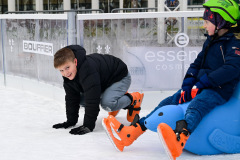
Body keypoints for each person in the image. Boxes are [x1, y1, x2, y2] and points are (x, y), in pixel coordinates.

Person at [102, 0, 240, 159]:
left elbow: (231, 69)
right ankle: (130, 133)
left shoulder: (234, 45)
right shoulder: (211, 42)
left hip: (218, 91)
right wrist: (188, 84)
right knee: (168, 101)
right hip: (201, 86)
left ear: (221, 22)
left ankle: (181, 138)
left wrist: (203, 83)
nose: (204, 25)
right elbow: (196, 64)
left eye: (207, 22)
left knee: (197, 106)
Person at [53, 45, 144, 135]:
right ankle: (113, 97)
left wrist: (88, 125)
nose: (65, 73)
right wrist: (70, 122)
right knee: (80, 100)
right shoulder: (68, 76)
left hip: (119, 78)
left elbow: (92, 100)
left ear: (75, 62)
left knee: (107, 104)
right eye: (61, 70)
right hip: (103, 82)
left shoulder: (87, 70)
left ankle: (133, 99)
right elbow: (71, 98)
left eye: (67, 67)